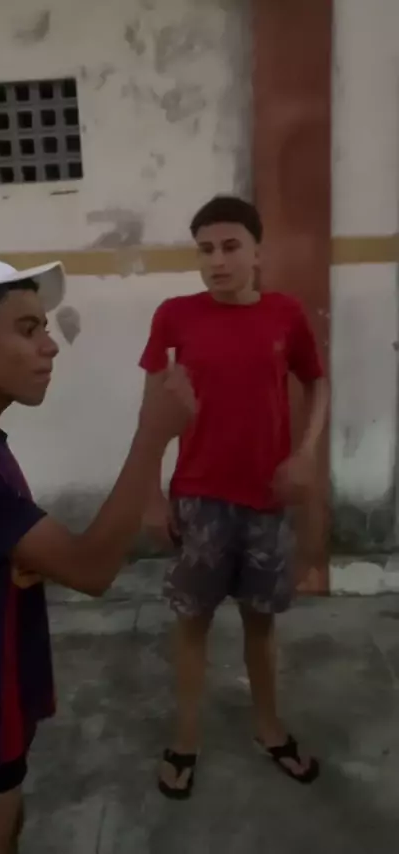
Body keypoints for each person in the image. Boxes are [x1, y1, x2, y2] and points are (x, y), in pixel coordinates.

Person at [0, 256, 195, 854]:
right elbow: (91, 569)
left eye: (44, 328)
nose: (49, 347)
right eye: (27, 330)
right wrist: (154, 434)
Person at [139, 195, 329, 799]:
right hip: (198, 499)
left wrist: (306, 453)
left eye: (229, 247)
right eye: (205, 250)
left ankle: (269, 728)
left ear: (256, 253)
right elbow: (152, 408)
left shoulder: (284, 315)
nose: (217, 261)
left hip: (265, 501)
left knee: (260, 624)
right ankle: (185, 739)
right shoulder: (175, 316)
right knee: (191, 622)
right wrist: (150, 492)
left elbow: (317, 381)